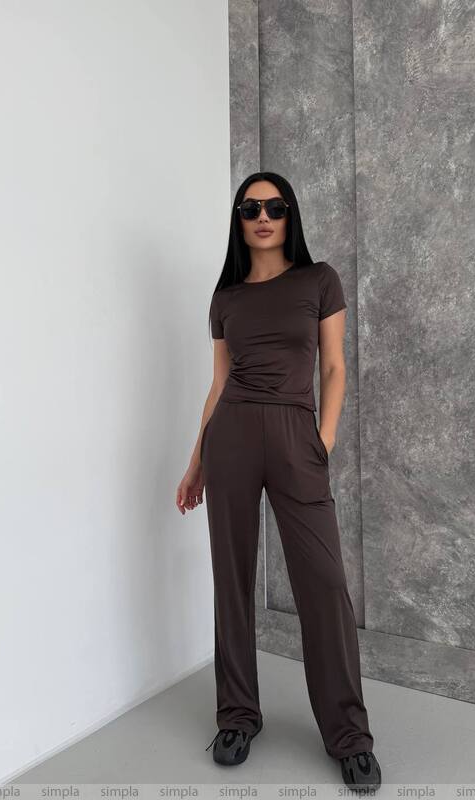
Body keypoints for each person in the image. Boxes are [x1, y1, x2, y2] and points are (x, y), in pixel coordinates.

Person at [176, 171, 382, 792]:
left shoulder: (319, 280)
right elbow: (218, 384)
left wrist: (323, 440)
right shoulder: (226, 298)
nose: (262, 217)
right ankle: (237, 717)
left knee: (324, 583)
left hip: (297, 435)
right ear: (239, 221)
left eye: (274, 206)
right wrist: (196, 462)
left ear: (290, 214)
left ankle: (349, 736)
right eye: (250, 208)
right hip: (232, 436)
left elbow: (335, 366)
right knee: (231, 578)